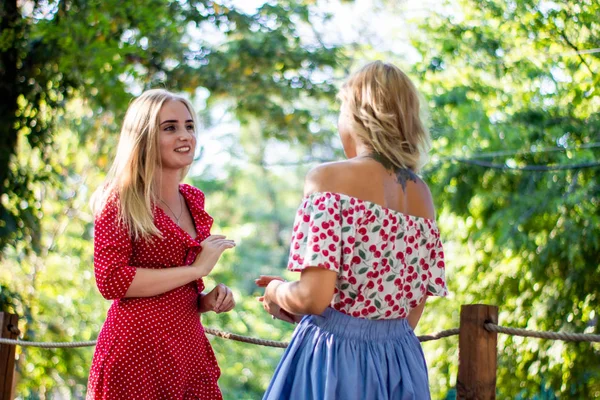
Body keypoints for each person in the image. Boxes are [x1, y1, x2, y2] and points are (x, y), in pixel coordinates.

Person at [256, 61, 448, 400]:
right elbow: (408, 314)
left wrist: (276, 290)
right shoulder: (422, 196)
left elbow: (312, 298)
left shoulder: (327, 179)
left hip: (334, 363)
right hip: (400, 364)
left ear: (358, 115)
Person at [87, 89, 236, 400]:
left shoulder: (193, 199)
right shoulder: (119, 198)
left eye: (189, 126)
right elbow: (110, 279)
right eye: (170, 127)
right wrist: (197, 267)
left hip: (186, 350)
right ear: (143, 138)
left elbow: (180, 284)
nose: (185, 135)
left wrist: (206, 300)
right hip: (136, 353)